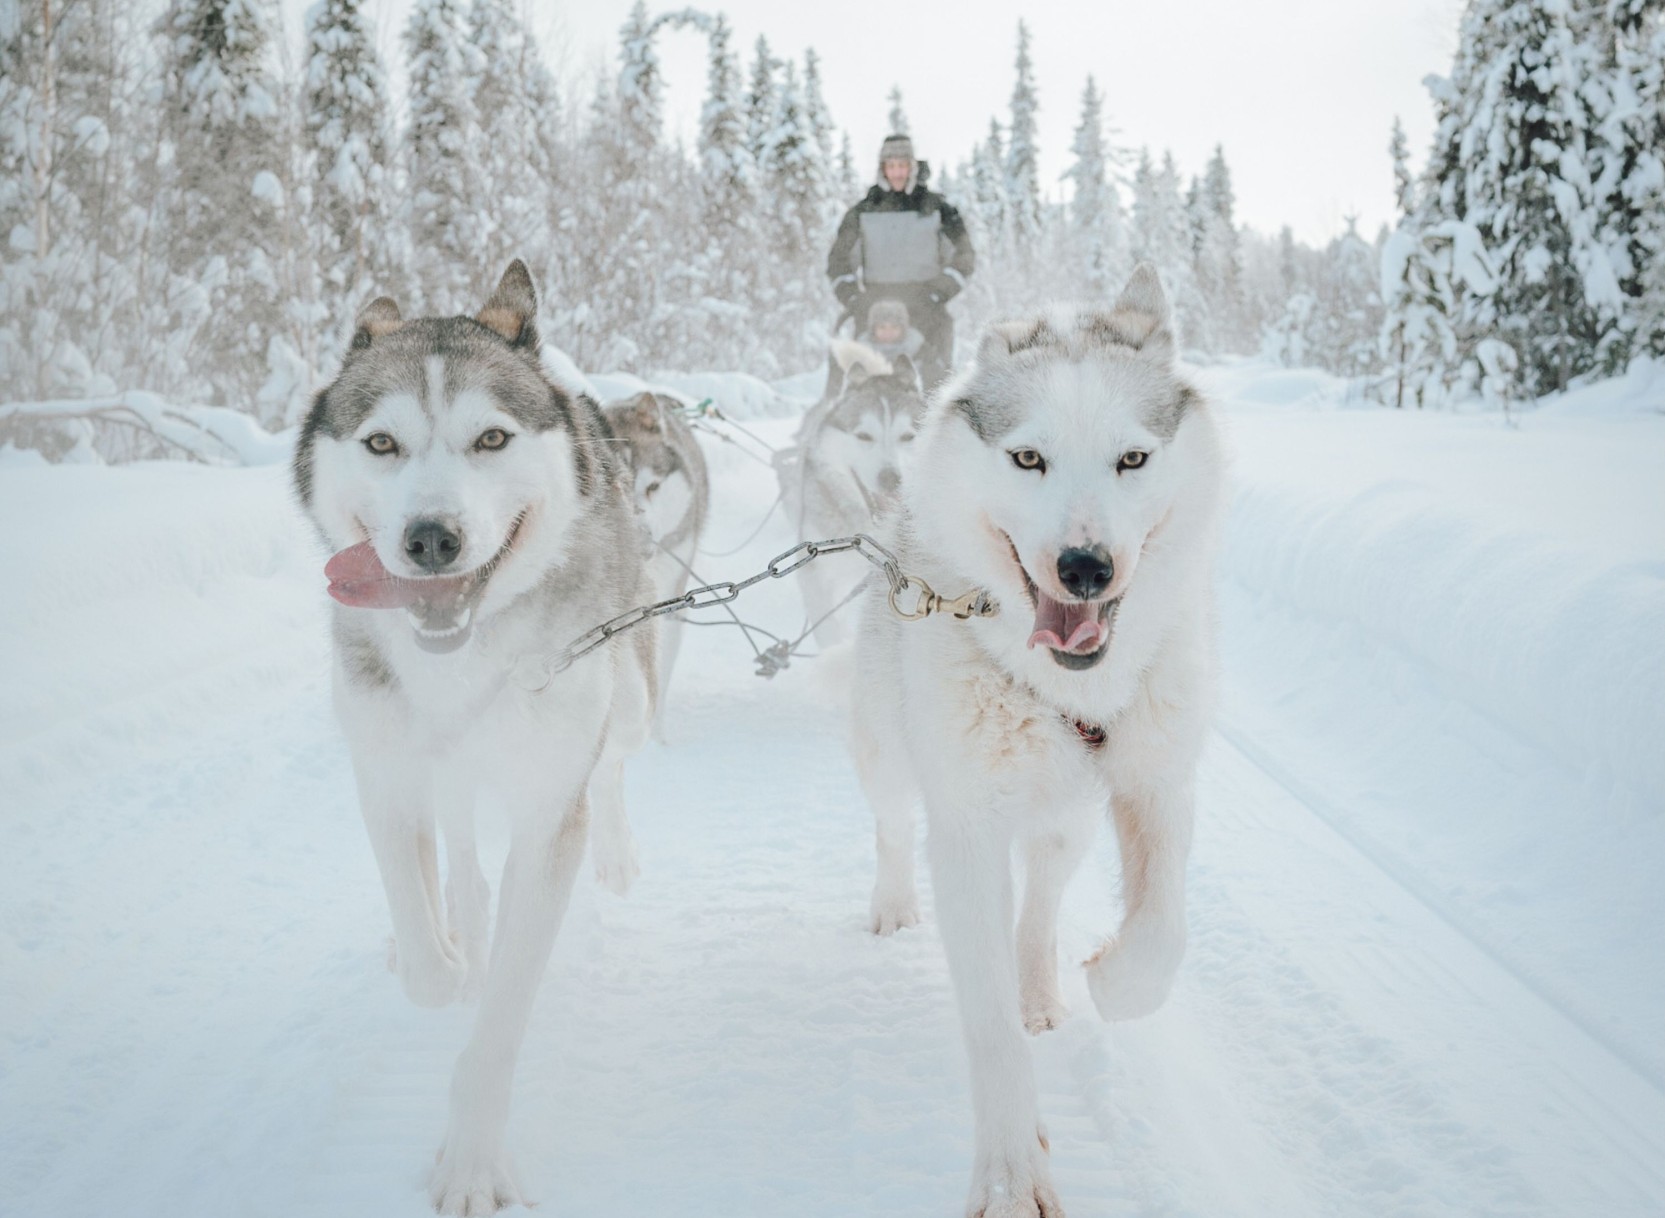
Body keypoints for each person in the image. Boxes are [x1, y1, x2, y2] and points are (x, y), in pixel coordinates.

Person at [826, 133, 975, 389]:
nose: (897, 173)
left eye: (902, 166)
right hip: (873, 304)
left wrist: (939, 292)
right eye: (891, 166)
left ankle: (937, 421)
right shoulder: (863, 212)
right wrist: (852, 298)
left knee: (934, 378)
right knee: (861, 379)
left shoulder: (937, 209)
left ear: (912, 168)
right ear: (882, 169)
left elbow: (964, 255)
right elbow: (838, 260)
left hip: (926, 303)